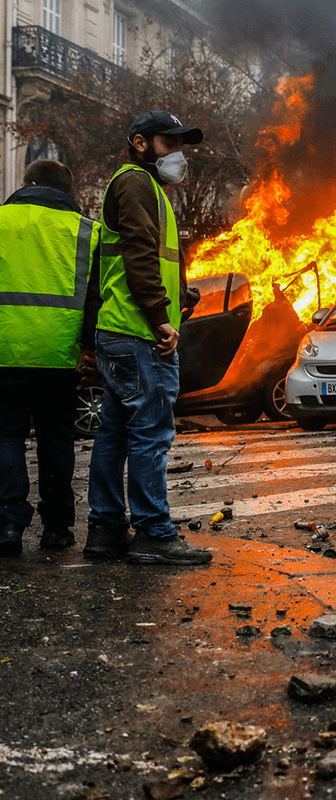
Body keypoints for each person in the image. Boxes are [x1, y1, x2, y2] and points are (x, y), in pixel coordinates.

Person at [84, 110, 211, 565]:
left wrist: (180, 293)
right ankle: (154, 532)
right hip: (140, 334)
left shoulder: (141, 186)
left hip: (118, 329)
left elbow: (130, 260)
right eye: (169, 142)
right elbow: (139, 254)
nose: (177, 153)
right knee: (151, 434)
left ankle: (106, 529)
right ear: (141, 142)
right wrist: (160, 317)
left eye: (181, 144)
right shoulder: (137, 183)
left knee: (114, 433)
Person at [0, 160, 100, 556]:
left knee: (6, 436)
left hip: (5, 351)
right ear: (67, 190)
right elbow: (94, 298)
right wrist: (90, 348)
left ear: (28, 184)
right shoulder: (85, 231)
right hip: (61, 354)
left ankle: (8, 524)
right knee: (56, 439)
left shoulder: (2, 221)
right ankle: (57, 528)